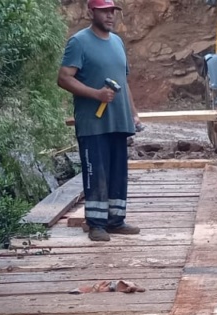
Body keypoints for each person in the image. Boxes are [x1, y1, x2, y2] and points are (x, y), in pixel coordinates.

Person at [57, 0, 144, 242]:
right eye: (104, 11)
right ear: (91, 11)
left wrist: (133, 113)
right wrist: (96, 94)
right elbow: (64, 78)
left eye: (112, 11)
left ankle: (116, 221)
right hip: (93, 124)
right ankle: (96, 224)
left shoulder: (117, 42)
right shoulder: (79, 42)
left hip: (118, 121)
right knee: (96, 173)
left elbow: (123, 82)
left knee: (118, 172)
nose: (109, 16)